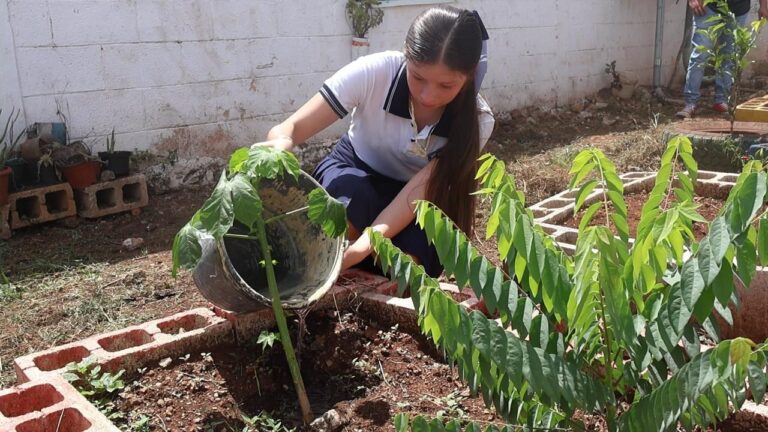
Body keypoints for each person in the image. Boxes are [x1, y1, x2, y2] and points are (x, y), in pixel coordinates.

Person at [251, 6, 494, 277]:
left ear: (469, 76)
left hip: (414, 201)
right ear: (406, 54)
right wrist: (282, 141)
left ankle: (356, 268)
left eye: (446, 86)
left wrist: (359, 250)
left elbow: (415, 197)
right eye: (418, 77)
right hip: (356, 173)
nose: (427, 96)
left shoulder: (478, 120)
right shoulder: (375, 72)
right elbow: (291, 127)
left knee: (407, 264)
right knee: (347, 209)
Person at [676, 0, 768, 118]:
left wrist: (763, 6)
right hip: (708, 7)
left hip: (739, 10)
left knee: (729, 55)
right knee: (700, 54)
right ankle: (690, 103)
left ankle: (721, 100)